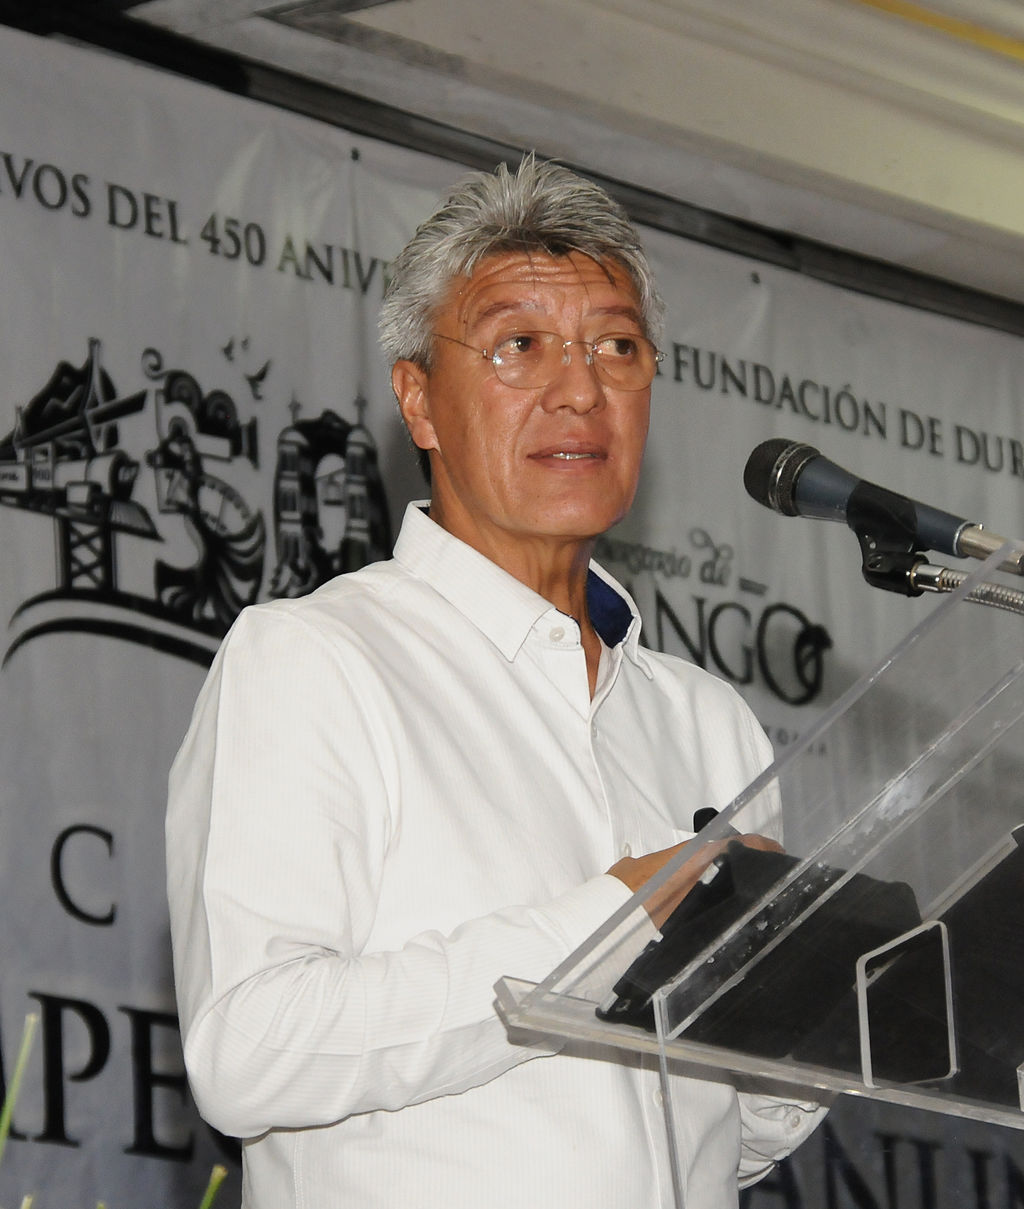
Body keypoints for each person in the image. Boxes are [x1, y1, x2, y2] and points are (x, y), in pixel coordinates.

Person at [166, 155, 824, 1209]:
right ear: (419, 400)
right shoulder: (315, 658)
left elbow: (736, 1138)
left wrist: (804, 1003)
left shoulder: (707, 720)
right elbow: (251, 1051)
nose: (580, 389)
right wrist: (617, 920)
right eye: (521, 345)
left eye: (616, 347)